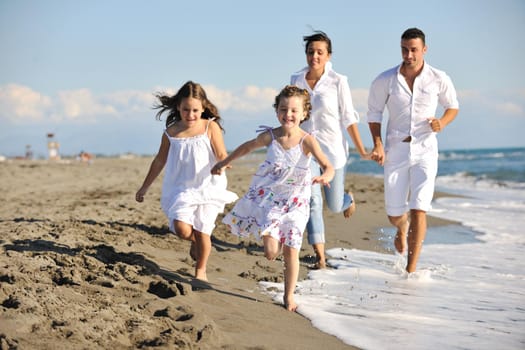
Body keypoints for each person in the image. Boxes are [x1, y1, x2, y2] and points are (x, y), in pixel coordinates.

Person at [211, 85, 334, 311]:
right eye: (283, 109)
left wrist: (326, 175)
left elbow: (327, 165)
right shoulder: (270, 136)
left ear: (304, 114)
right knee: (270, 253)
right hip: (272, 200)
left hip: (297, 203)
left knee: (291, 250)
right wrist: (223, 161)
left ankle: (289, 297)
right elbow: (248, 147)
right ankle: (273, 248)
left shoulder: (307, 141)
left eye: (294, 111)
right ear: (276, 111)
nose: (288, 114)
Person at [367, 28, 459, 273]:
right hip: (396, 149)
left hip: (426, 149)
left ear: (424, 49)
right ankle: (401, 227)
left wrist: (443, 122)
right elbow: (374, 113)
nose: (408, 55)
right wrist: (377, 143)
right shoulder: (385, 79)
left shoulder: (439, 78)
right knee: (394, 215)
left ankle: (411, 270)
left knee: (420, 208)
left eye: (414, 50)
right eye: (404, 49)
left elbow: (452, 106)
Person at [136, 81, 238, 281]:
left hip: (209, 186)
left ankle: (200, 271)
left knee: (203, 230)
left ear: (203, 108)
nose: (190, 115)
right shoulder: (171, 133)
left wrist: (224, 163)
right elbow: (159, 161)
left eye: (195, 110)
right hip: (183, 188)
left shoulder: (210, 126)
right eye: (186, 110)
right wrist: (144, 187)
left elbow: (221, 152)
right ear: (178, 108)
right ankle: (196, 241)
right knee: (182, 229)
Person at [290, 31, 371, 269]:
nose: (314, 56)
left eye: (319, 52)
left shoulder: (338, 81)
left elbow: (348, 117)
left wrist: (362, 149)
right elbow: (291, 113)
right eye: (310, 52)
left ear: (328, 55)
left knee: (334, 206)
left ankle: (348, 199)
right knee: (312, 202)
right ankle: (320, 257)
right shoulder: (296, 79)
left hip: (333, 152)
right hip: (305, 151)